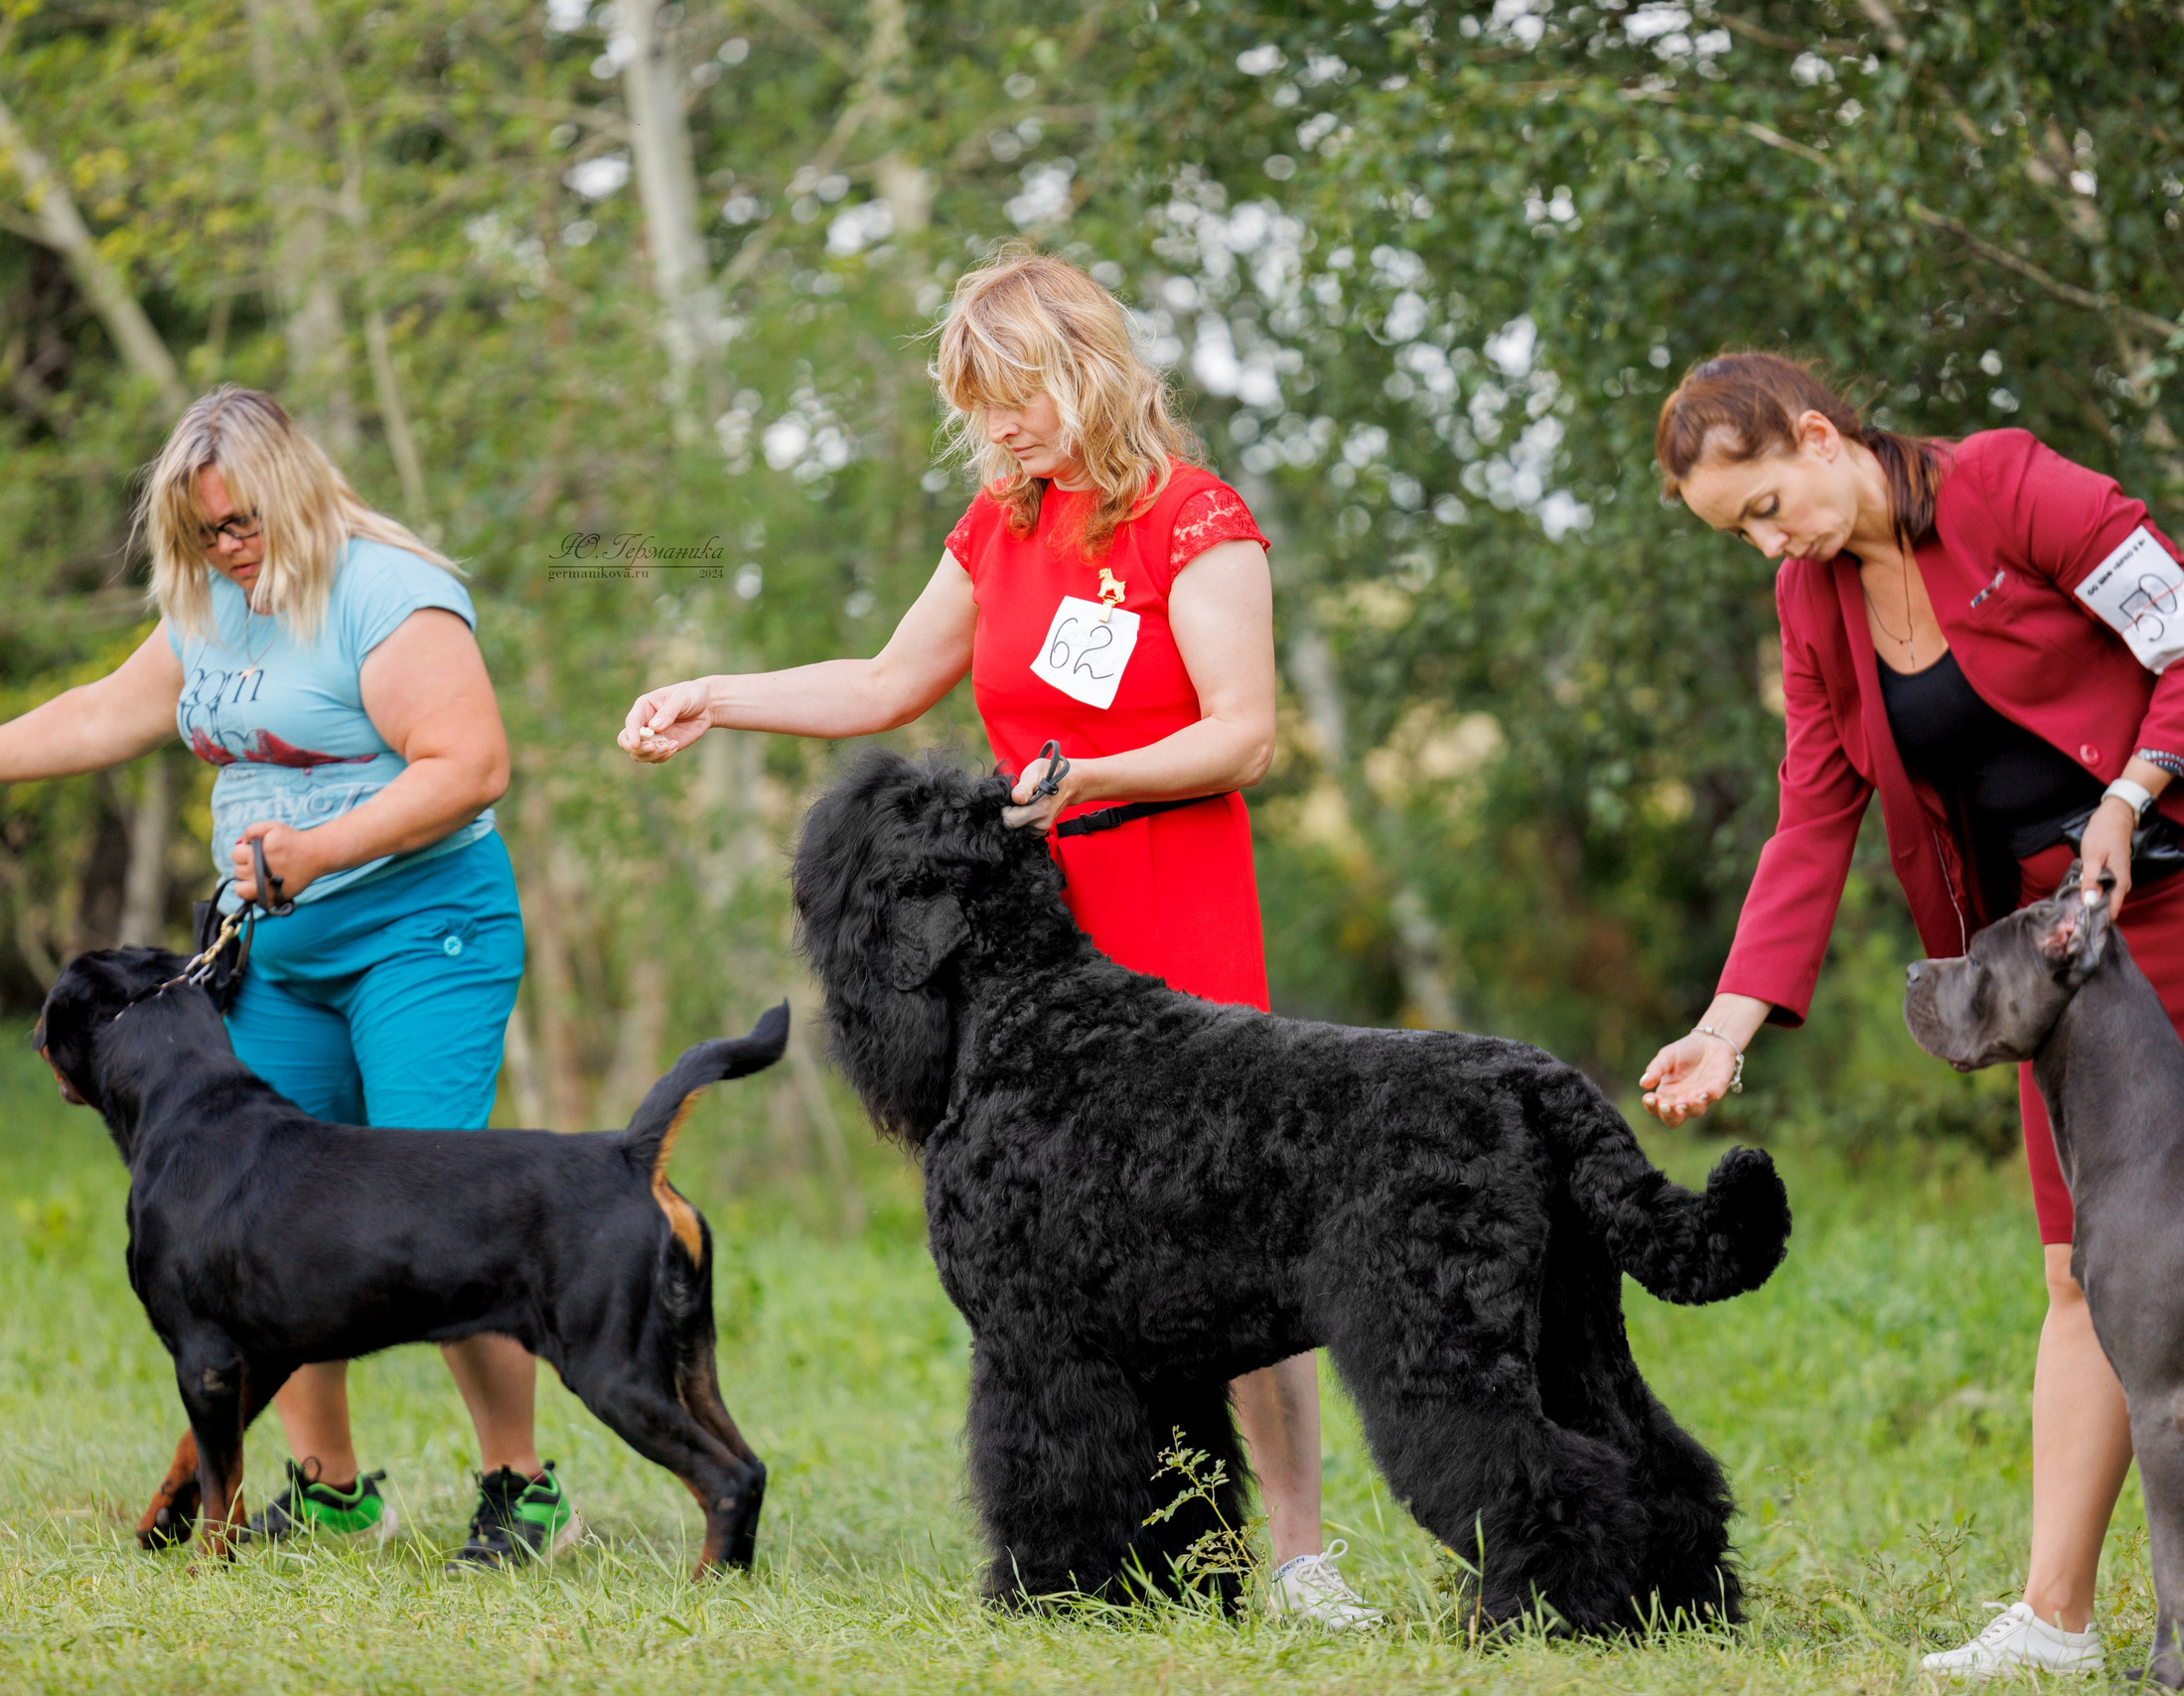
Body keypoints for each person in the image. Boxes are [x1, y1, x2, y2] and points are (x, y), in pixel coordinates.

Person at [1638, 352, 2184, 1687]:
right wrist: (1728, 1023)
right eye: (1744, 533)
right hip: (2058, 954)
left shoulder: (2006, 488)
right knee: (2080, 1265)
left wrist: (2131, 790)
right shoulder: (1814, 606)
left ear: (1819, 437)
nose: (1771, 543)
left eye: (1767, 504)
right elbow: (1815, 810)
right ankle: (2055, 1616)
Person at [617, 250, 1379, 1627]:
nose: (1003, 426)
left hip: (1169, 898)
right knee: (1074, 1249)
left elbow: (1244, 730)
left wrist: (1091, 775)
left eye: (1019, 395)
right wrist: (716, 693)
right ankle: (1140, 1538)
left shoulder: (1192, 521)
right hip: (1038, 940)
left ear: (1087, 371)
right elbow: (882, 682)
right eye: (981, 404)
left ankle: (1299, 1552)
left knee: (1242, 1234)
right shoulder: (999, 523)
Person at [0, 386, 575, 1570]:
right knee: (269, 1216)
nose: (228, 550)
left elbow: (470, 764)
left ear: (300, 493)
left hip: (423, 934)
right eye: (206, 532)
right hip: (279, 950)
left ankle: (522, 1487)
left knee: (439, 1211)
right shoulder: (210, 602)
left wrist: (314, 850)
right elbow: (111, 711)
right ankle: (329, 1491)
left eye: (245, 525)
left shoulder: (387, 594)